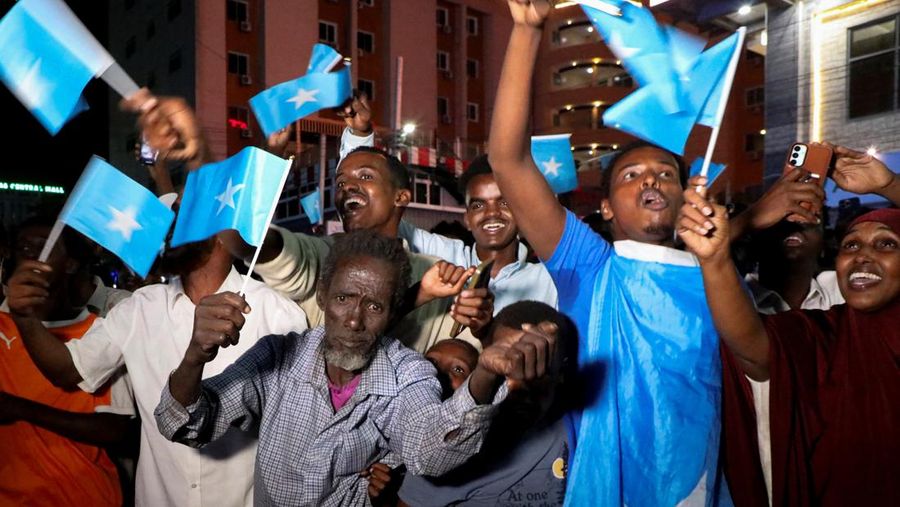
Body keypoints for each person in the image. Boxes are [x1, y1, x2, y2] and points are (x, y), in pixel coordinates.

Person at [485, 2, 825, 505]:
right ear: (604, 207)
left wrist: (734, 234)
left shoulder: (720, 279)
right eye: (630, 175)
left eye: (667, 173)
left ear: (690, 194)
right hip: (609, 487)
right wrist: (526, 31)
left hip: (701, 484)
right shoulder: (590, 264)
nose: (650, 179)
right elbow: (508, 161)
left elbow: (756, 356)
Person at [10, 95, 311, 507]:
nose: (162, 221)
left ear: (219, 229)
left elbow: (301, 431)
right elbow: (68, 371)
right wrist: (26, 318)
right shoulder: (139, 309)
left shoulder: (280, 316)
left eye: (179, 212)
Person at [155, 230, 559, 506]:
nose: (354, 320)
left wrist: (484, 376)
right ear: (323, 295)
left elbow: (428, 453)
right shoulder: (276, 357)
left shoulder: (408, 375)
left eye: (374, 306)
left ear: (391, 312)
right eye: (345, 298)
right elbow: (185, 424)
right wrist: (194, 355)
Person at [130, 89, 492, 353]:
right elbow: (245, 241)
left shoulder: (440, 279)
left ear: (402, 197)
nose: (348, 186)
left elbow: (463, 363)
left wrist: (480, 319)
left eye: (365, 177)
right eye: (341, 182)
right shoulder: (319, 259)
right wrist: (199, 157)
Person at [679, 144, 900, 507]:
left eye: (886, 244)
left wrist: (888, 183)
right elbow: (754, 348)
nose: (863, 255)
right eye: (852, 245)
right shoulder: (822, 332)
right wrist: (715, 260)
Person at [340, 112, 557, 310]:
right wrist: (359, 137)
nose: (492, 213)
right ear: (467, 218)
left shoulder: (549, 280)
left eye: (503, 203)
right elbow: (376, 214)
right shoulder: (443, 258)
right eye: (478, 205)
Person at [2, 217, 135, 507]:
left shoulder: (99, 330)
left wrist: (21, 409)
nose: (32, 255)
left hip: (84, 495)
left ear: (71, 264)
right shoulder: (1, 325)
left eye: (44, 247)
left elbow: (115, 430)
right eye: (24, 247)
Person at [398, 300, 575, 507]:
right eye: (505, 368)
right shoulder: (454, 443)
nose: (517, 385)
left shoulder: (585, 426)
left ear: (561, 373)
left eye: (536, 369)